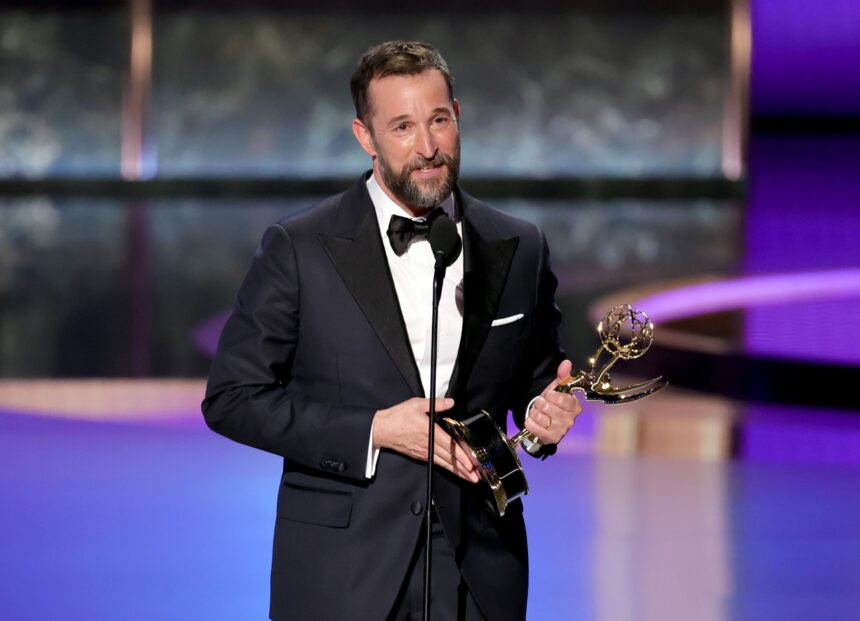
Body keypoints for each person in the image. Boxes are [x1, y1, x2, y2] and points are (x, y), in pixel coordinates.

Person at [202, 40, 582, 621]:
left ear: (458, 116)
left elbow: (534, 376)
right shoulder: (300, 248)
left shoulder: (519, 245)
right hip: (342, 573)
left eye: (438, 120)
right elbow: (233, 398)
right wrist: (376, 430)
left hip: (478, 569)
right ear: (365, 136)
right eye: (402, 127)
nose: (427, 147)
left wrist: (543, 414)